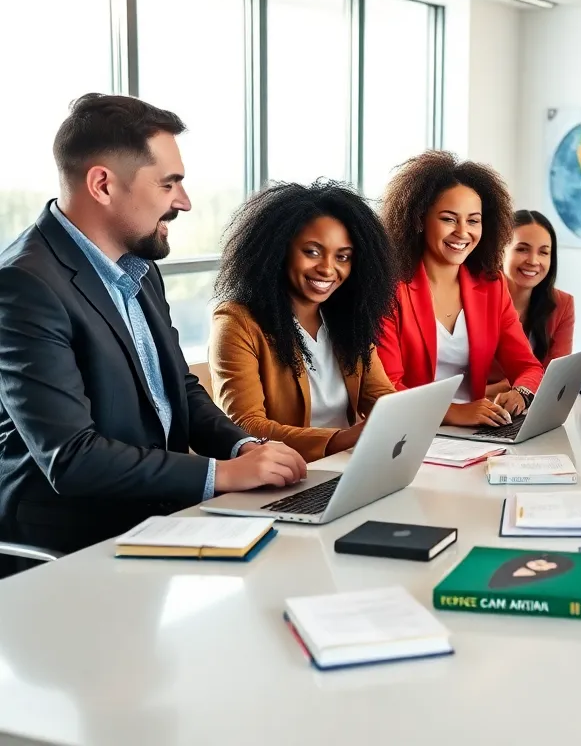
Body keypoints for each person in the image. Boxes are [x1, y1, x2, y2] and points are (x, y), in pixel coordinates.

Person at [0, 94, 306, 568]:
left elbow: (178, 389)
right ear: (102, 184)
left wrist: (242, 446)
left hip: (160, 522)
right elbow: (73, 458)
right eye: (169, 184)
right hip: (70, 548)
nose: (183, 202)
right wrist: (221, 474)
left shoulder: (138, 267)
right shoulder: (24, 284)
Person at [209, 181, 400, 462]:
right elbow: (246, 426)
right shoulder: (238, 322)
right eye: (311, 251)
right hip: (284, 474)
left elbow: (380, 396)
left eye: (343, 257)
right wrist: (344, 438)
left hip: (347, 466)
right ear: (279, 250)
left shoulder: (347, 317)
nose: (327, 268)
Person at [375, 151, 543, 428]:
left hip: (476, 431)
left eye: (473, 220)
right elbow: (387, 387)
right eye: (449, 219)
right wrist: (452, 412)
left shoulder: (492, 285)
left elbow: (527, 366)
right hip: (408, 432)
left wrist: (520, 394)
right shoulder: (391, 289)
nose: (463, 232)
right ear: (418, 220)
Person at [484, 210, 575, 397]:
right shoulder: (476, 298)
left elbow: (556, 378)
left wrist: (518, 389)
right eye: (522, 249)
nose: (533, 261)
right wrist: (502, 388)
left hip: (526, 408)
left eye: (543, 252)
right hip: (472, 408)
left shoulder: (562, 304)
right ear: (501, 251)